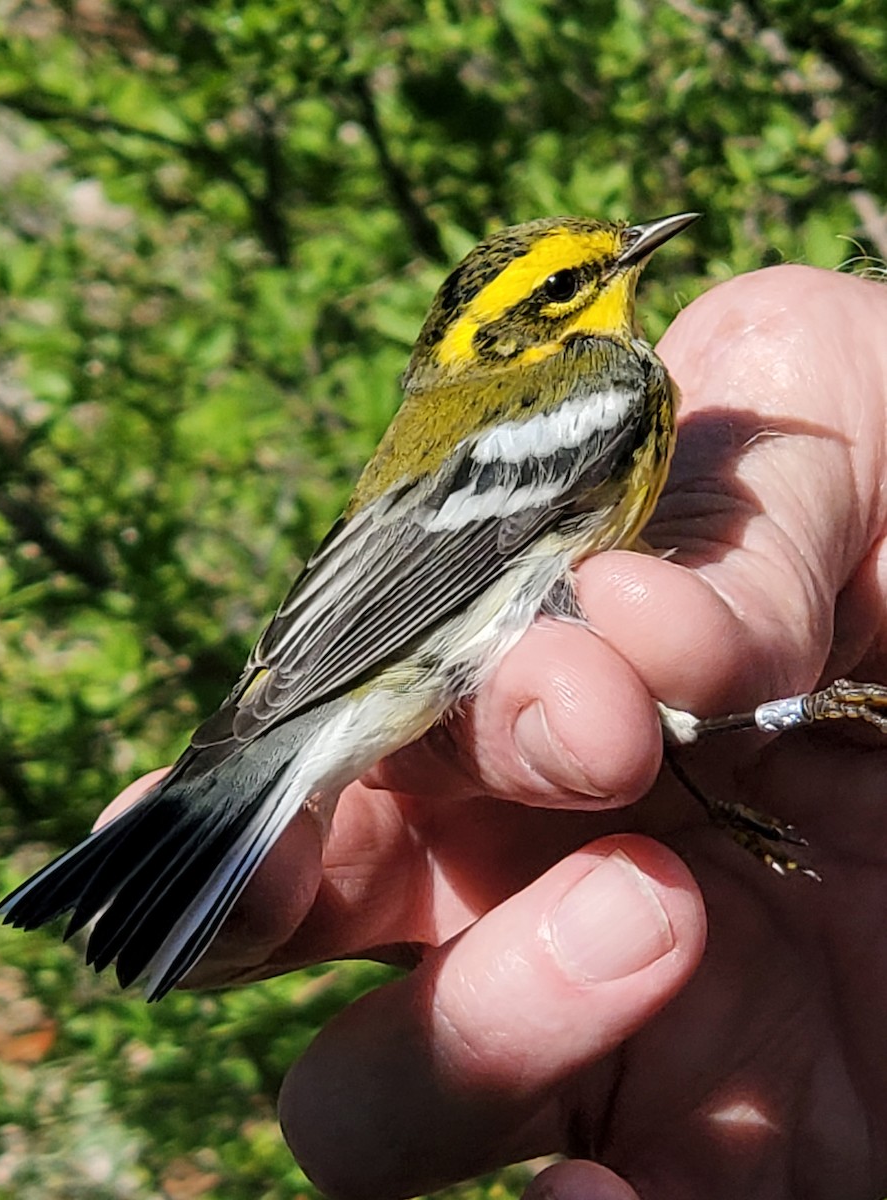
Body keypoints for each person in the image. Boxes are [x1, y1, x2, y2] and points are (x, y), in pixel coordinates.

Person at [107, 264, 887, 1199]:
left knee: (620, 699)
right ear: (511, 331)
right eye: (569, 283)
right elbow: (453, 559)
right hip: (426, 625)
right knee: (613, 703)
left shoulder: (534, 394)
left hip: (375, 633)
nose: (622, 267)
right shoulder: (605, 385)